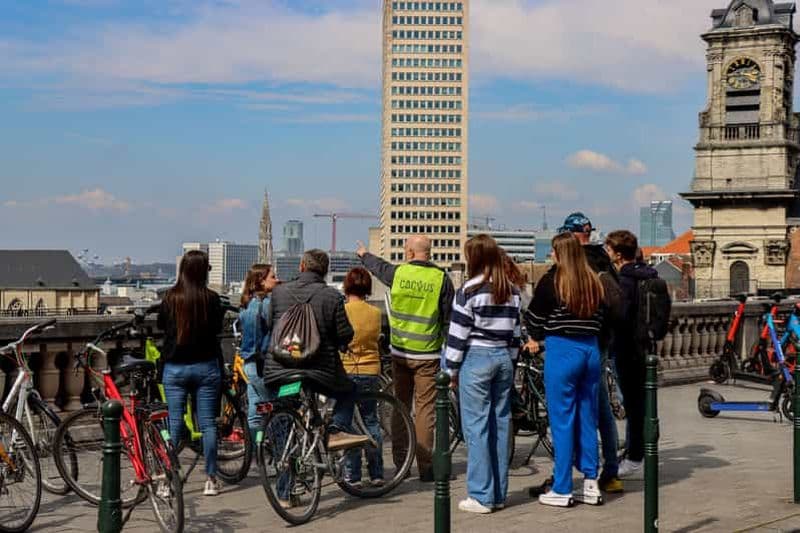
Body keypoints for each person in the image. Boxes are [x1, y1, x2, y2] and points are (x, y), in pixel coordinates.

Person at [356, 236, 455, 481]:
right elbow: (448, 321)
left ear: (410, 252)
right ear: (428, 253)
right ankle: (426, 466)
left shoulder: (398, 274)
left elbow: (379, 268)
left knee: (400, 405)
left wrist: (364, 254)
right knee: (425, 411)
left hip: (400, 353)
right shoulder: (441, 279)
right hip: (428, 355)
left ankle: (402, 463)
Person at [525, 232, 606, 507]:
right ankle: (591, 482)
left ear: (559, 253)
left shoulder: (554, 281)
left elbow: (534, 317)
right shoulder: (593, 280)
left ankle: (562, 487)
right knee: (587, 417)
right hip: (591, 350)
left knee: (561, 421)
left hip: (562, 349)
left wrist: (535, 336)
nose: (551, 256)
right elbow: (604, 318)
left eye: (553, 252)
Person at [444, 235, 521, 514]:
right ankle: (499, 493)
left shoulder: (468, 290)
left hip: (476, 357)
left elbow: (457, 335)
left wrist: (450, 369)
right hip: (503, 358)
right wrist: (510, 364)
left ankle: (480, 495)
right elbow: (516, 334)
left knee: (476, 428)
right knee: (501, 426)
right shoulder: (511, 290)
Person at [262, 249, 367, 451]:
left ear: (302, 266)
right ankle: (336, 430)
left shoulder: (279, 292)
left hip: (279, 369)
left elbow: (270, 324)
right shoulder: (332, 296)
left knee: (284, 415)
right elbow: (344, 333)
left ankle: (283, 475)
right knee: (349, 390)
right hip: (318, 372)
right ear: (325, 272)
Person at [558, 212, 624, 493]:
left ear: (573, 235)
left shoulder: (576, 262)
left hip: (579, 340)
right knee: (602, 409)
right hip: (603, 339)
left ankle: (581, 473)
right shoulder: (605, 261)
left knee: (576, 408)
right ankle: (610, 470)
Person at [158, 250, 225, 496]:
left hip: (175, 367)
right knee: (208, 424)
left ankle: (166, 480)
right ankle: (210, 478)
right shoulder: (212, 299)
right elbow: (218, 328)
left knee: (174, 425)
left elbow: (162, 327)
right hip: (206, 365)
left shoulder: (170, 297)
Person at [605, 230, 659, 479]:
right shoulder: (650, 277)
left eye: (608, 249)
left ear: (617, 254)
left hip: (626, 347)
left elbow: (619, 317)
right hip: (647, 347)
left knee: (633, 404)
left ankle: (635, 455)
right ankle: (645, 449)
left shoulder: (624, 282)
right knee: (643, 403)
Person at [332, 267, 385, 488]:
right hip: (371, 369)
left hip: (347, 370)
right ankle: (376, 472)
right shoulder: (375, 313)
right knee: (371, 420)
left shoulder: (342, 311)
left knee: (349, 426)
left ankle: (353, 475)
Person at [239, 264, 279, 443]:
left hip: (249, 364)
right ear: (261, 281)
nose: (276, 280)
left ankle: (257, 453)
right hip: (262, 364)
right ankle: (282, 459)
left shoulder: (246, 303)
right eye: (273, 277)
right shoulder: (266, 303)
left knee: (255, 414)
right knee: (276, 411)